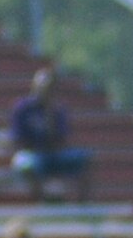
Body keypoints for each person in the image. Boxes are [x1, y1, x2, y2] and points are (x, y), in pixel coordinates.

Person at [10, 68, 93, 203]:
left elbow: (62, 140)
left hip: (53, 154)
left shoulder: (57, 110)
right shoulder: (23, 109)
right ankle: (42, 201)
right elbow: (17, 139)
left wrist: (50, 117)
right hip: (31, 154)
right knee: (27, 164)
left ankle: (82, 203)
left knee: (84, 158)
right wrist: (36, 148)